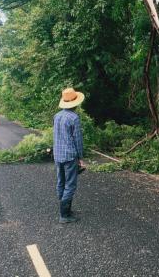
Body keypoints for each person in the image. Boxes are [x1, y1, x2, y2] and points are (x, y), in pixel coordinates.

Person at [53, 87, 86, 223]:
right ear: (75, 103)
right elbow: (77, 140)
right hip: (70, 155)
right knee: (70, 185)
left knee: (61, 182)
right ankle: (64, 215)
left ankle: (64, 210)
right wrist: (81, 157)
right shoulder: (74, 118)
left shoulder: (57, 116)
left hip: (58, 154)